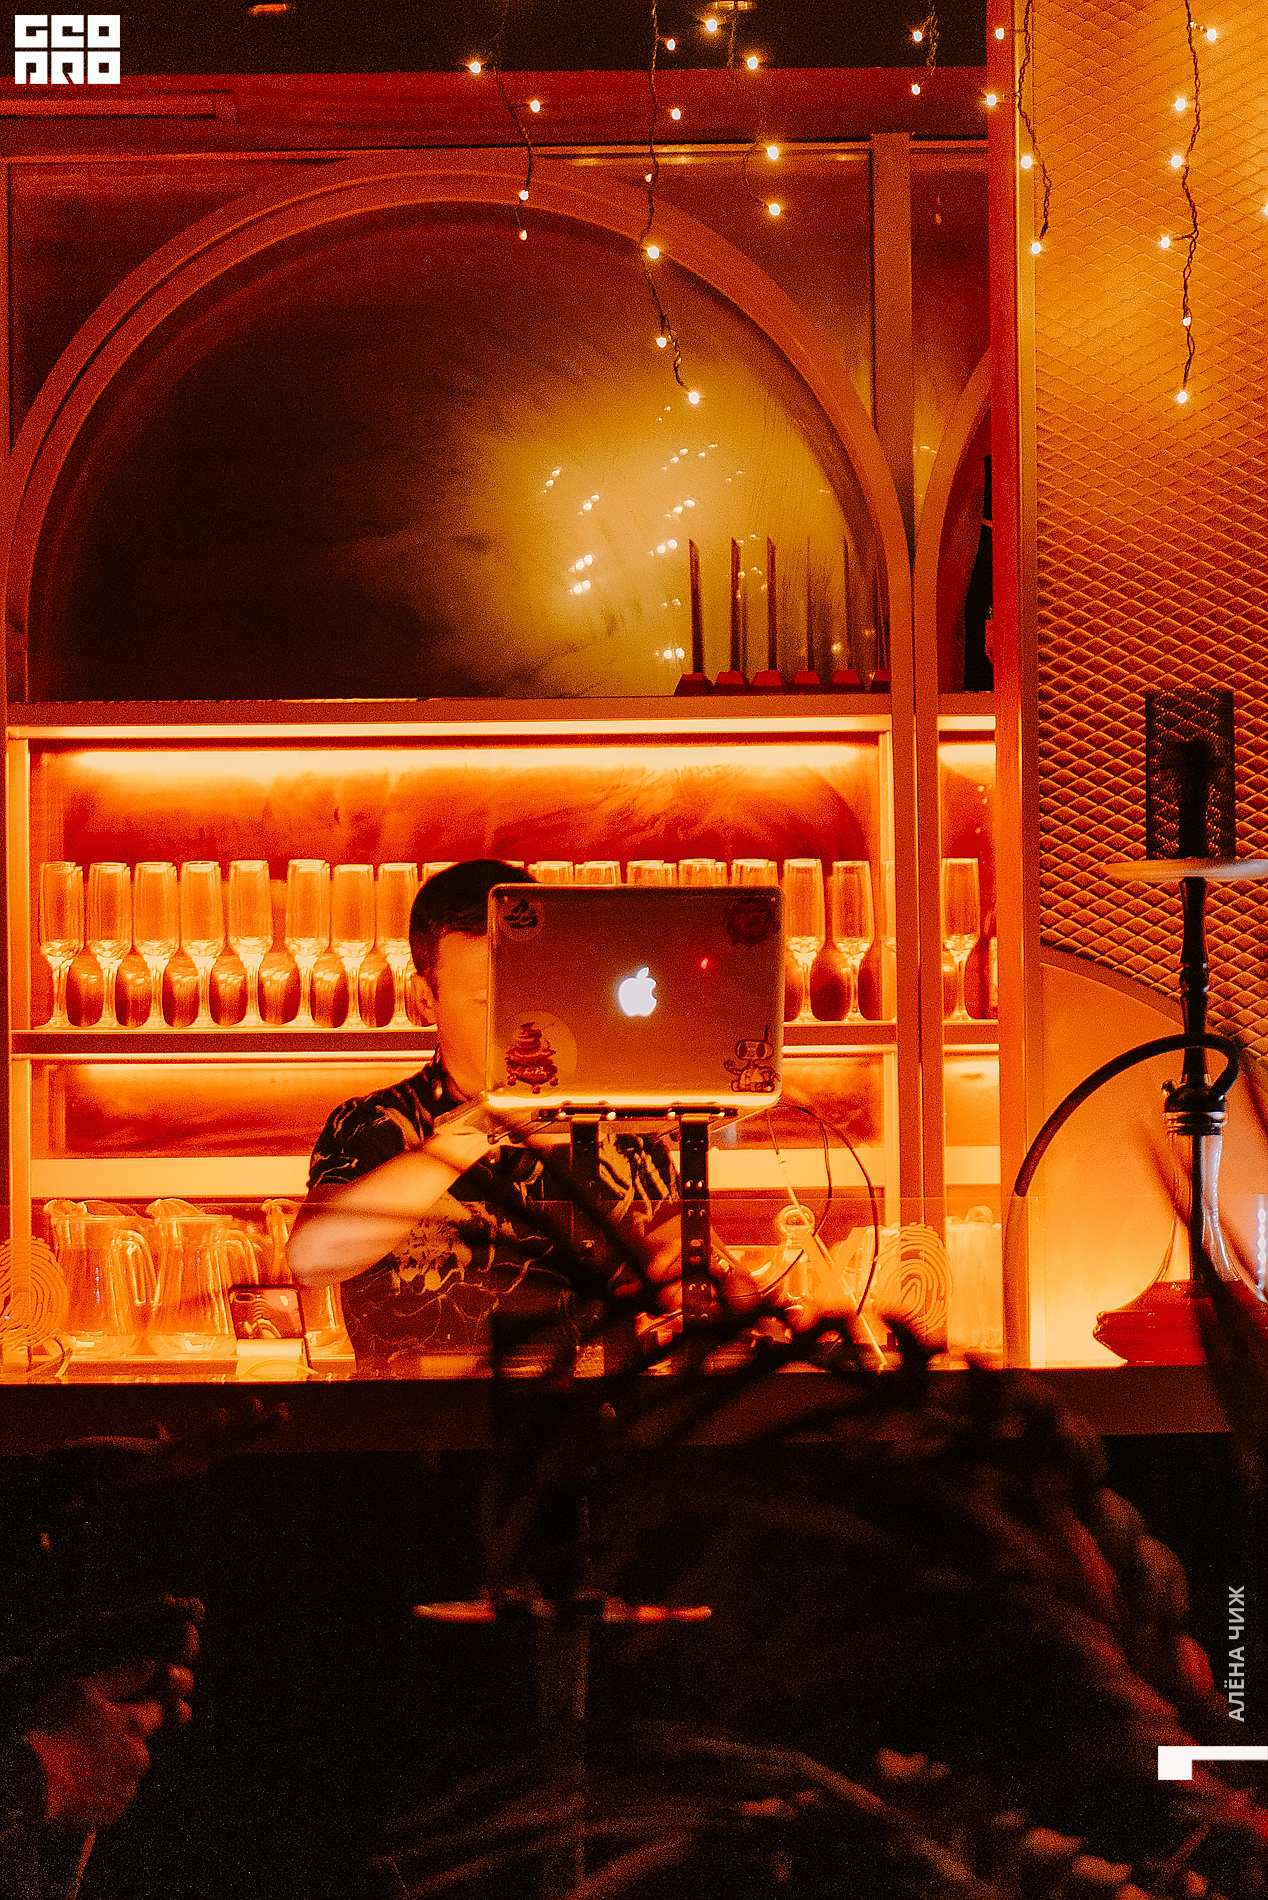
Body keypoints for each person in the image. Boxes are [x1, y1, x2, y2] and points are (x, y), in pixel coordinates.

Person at [288, 861, 677, 1376]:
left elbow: (680, 1260)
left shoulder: (621, 1132)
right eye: (487, 998)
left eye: (532, 988)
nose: (517, 1016)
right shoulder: (376, 1124)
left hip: (594, 1420)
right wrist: (483, 1124)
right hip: (421, 1421)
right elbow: (313, 1259)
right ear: (426, 999)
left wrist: (700, 1282)